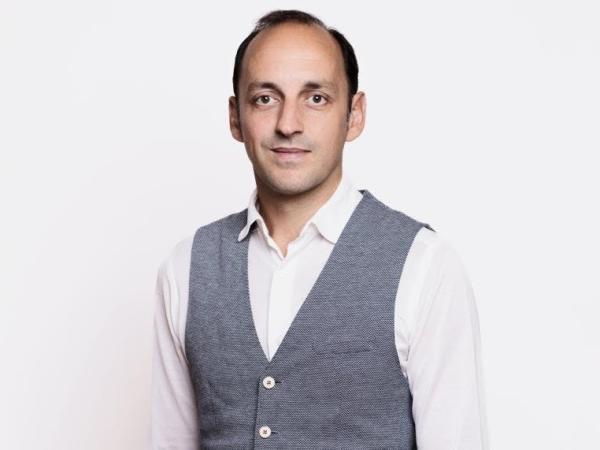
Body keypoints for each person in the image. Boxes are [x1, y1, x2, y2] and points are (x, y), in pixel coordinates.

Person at [151, 9, 488, 449]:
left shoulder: (424, 266)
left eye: (316, 98)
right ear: (236, 117)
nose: (288, 124)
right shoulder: (185, 269)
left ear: (354, 114)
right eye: (265, 99)